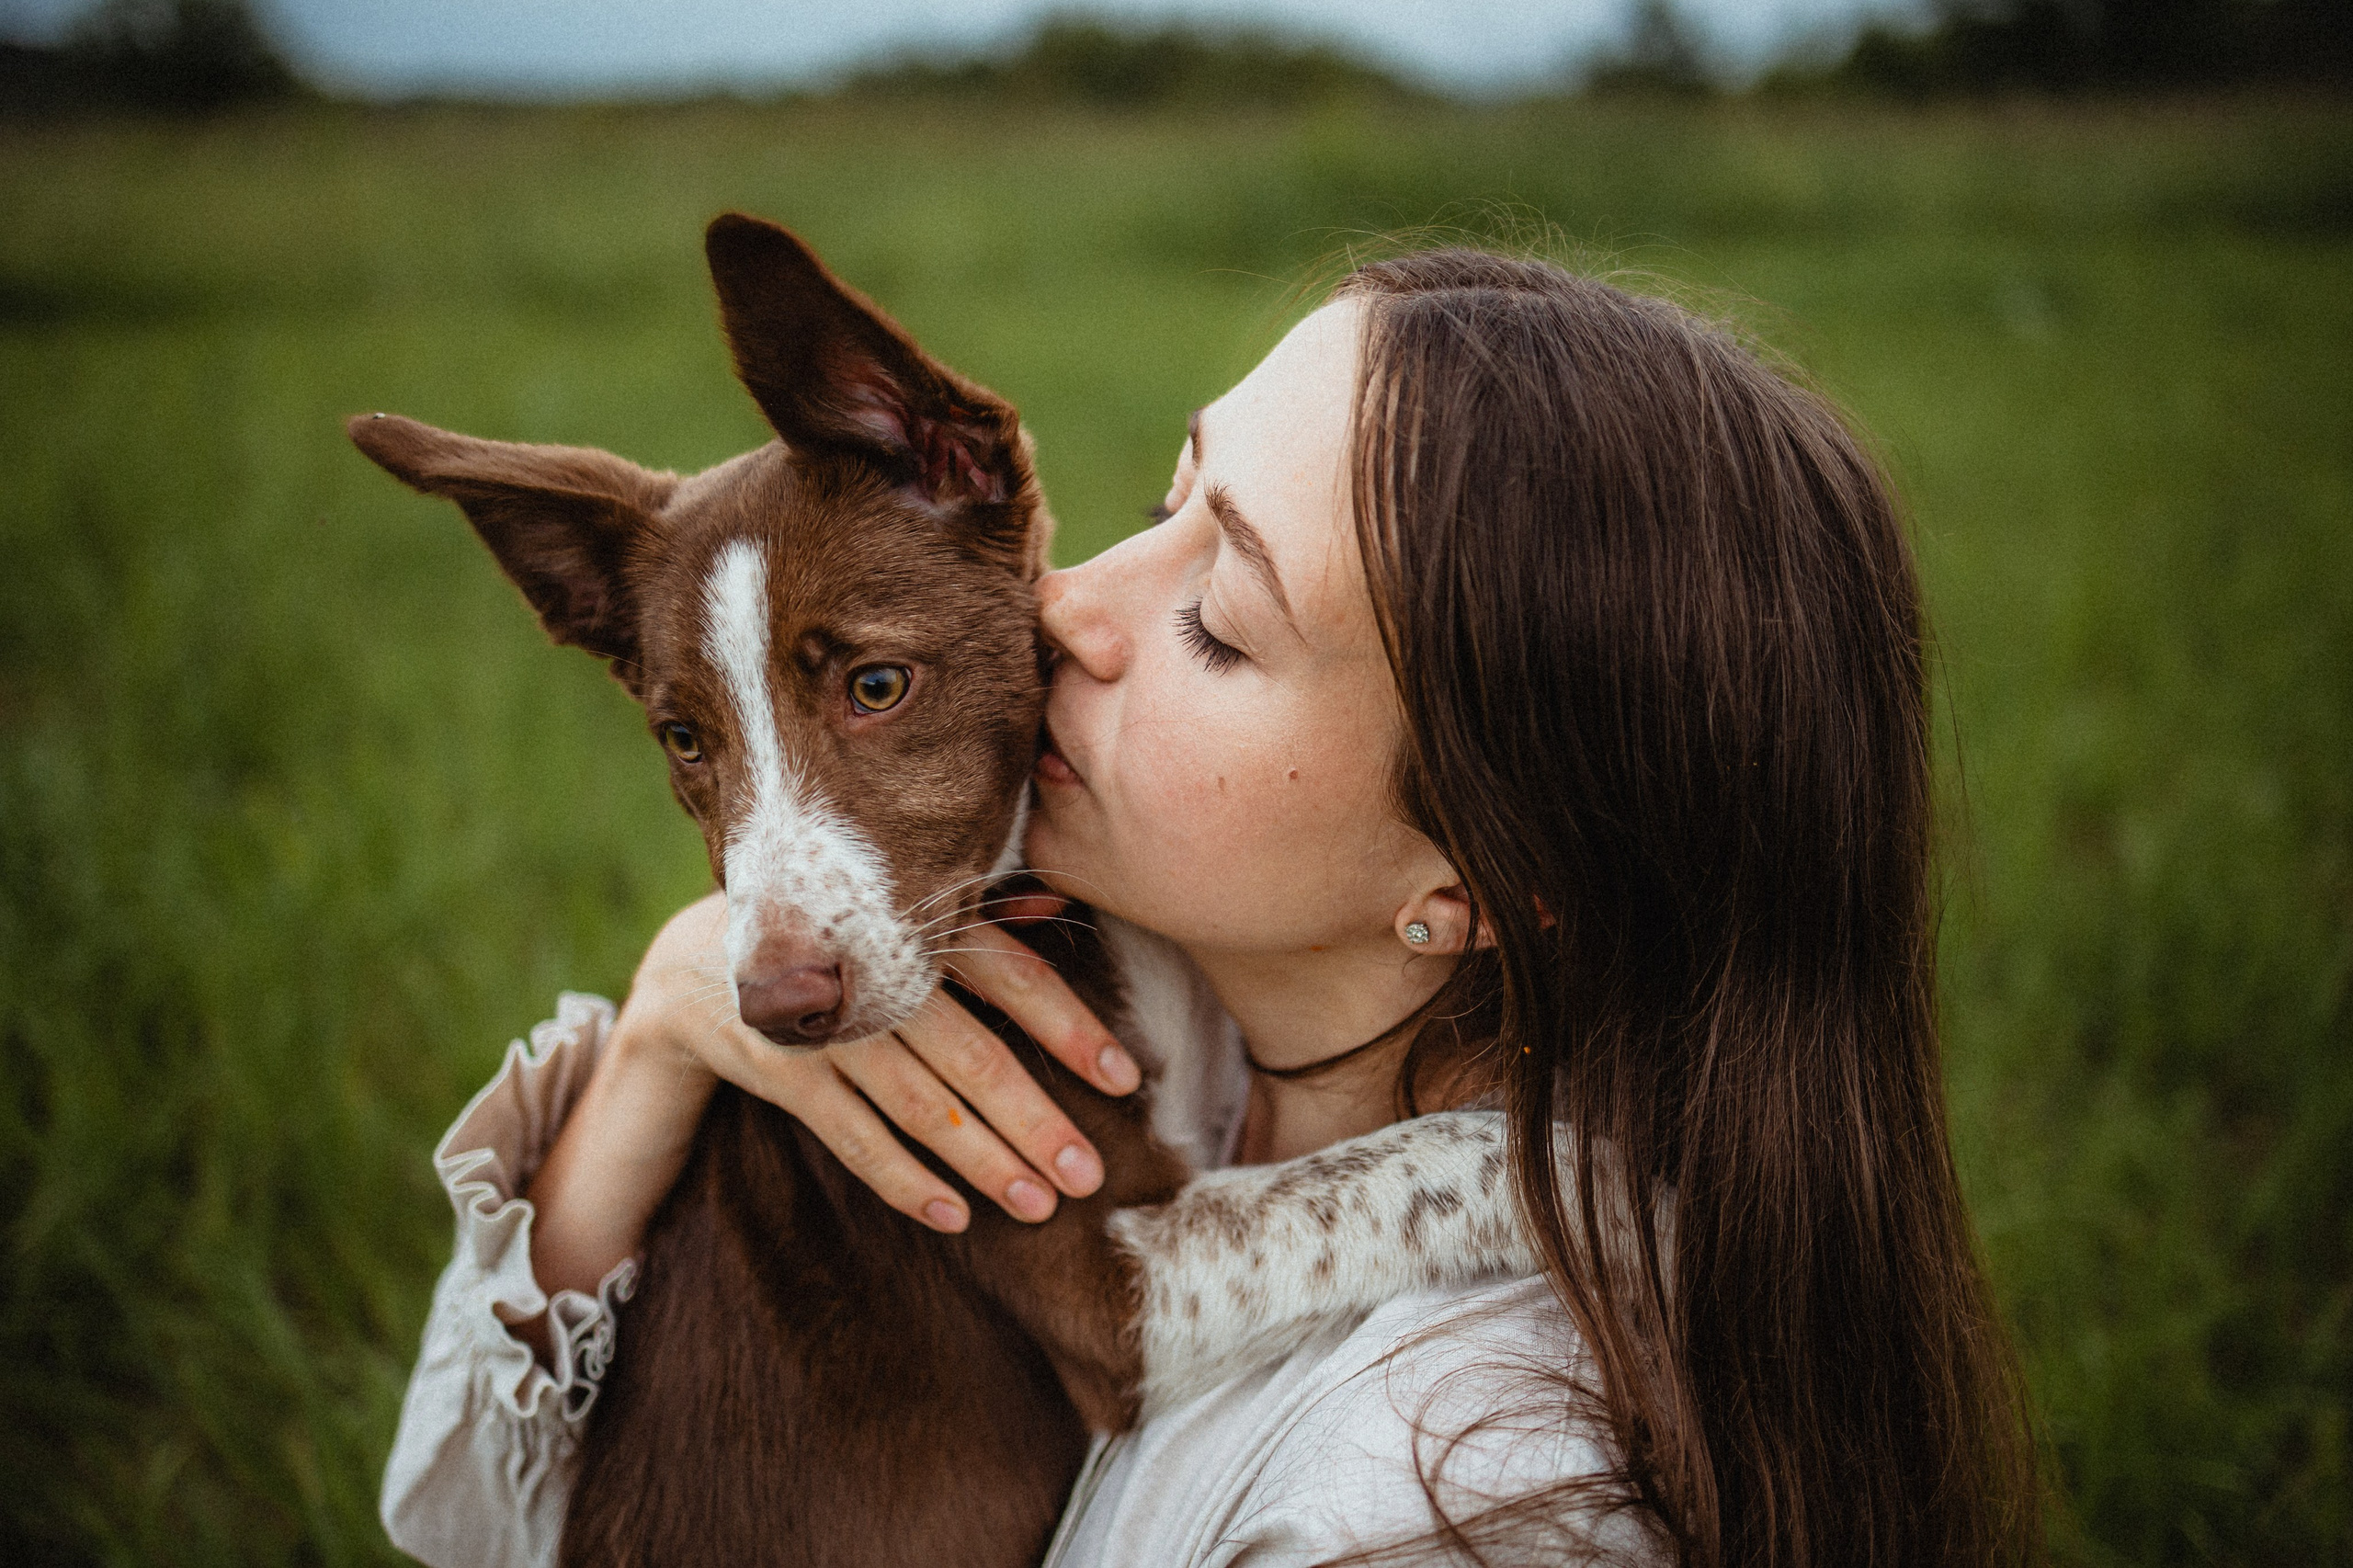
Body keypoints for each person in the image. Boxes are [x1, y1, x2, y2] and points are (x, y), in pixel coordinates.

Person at [381, 247, 2041, 1567]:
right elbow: (467, 1518)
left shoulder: (1460, 1493)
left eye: (1223, 618)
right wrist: (661, 1051)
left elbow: (1127, 1318)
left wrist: (1555, 1187)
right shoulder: (1087, 973)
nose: (1064, 602)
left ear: (1481, 877)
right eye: (1165, 495)